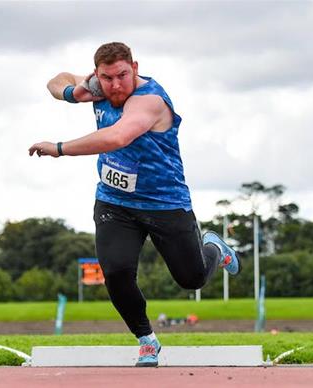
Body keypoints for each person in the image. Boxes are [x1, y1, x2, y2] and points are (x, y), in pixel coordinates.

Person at [29, 42, 241, 367]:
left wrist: (59, 148)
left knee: (192, 279)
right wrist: (75, 91)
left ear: (135, 68)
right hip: (116, 202)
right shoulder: (99, 86)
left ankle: (214, 248)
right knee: (115, 272)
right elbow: (54, 82)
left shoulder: (150, 101)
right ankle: (146, 339)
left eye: (122, 76)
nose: (116, 85)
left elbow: (117, 137)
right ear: (98, 74)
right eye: (107, 78)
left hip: (164, 202)